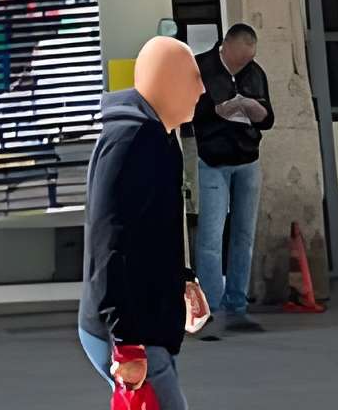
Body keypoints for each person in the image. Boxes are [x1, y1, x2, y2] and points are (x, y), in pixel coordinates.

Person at [78, 36, 209, 410]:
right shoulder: (132, 140)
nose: (201, 88)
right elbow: (110, 242)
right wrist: (127, 342)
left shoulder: (159, 138)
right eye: (192, 77)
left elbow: (152, 232)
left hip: (140, 324)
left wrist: (182, 280)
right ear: (163, 81)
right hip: (132, 330)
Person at [190, 22, 273, 335]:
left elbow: (269, 118)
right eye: (239, 60)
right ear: (225, 47)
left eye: (248, 60)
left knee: (244, 235)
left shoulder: (256, 73)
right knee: (211, 236)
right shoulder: (202, 68)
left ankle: (237, 306)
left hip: (247, 160)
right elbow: (190, 112)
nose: (243, 65)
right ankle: (211, 307)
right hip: (213, 160)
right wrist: (217, 111)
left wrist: (256, 110)